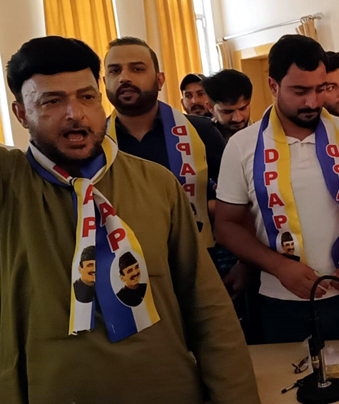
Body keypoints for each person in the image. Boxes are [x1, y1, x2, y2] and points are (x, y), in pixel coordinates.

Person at [1, 36, 258, 403]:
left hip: (167, 388)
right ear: (21, 114)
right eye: (52, 101)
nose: (75, 114)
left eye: (87, 97)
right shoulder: (9, 187)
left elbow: (209, 311)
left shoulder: (156, 184)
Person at [214, 35, 339, 343]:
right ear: (273, 86)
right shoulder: (242, 146)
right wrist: (278, 267)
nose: (312, 102)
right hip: (281, 302)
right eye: (300, 91)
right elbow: (226, 225)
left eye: (321, 89)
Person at [103, 37, 232, 272]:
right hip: (123, 270)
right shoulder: (95, 143)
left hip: (200, 266)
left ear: (160, 80)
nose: (124, 77)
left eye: (137, 68)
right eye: (115, 70)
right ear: (104, 82)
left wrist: (244, 265)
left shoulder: (201, 132)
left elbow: (238, 204)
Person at [203, 69, 253, 140]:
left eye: (243, 108)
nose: (237, 119)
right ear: (210, 107)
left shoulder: (265, 136)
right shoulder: (201, 140)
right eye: (227, 112)